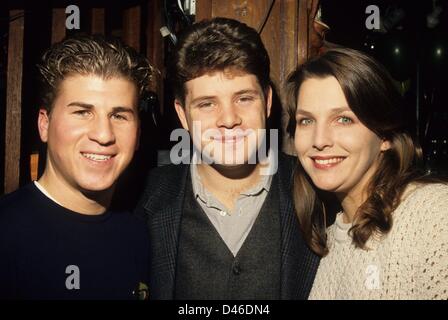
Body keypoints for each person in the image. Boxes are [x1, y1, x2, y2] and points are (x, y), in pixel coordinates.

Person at [135, 17, 320, 300]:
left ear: (268, 102)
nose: (229, 119)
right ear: (183, 114)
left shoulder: (319, 192)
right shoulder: (140, 200)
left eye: (244, 98)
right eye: (207, 104)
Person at [285, 47, 448, 300]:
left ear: (384, 135)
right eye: (306, 120)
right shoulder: (328, 241)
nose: (319, 140)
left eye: (343, 119)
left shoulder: (433, 215)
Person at [0, 34, 154, 300]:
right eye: (83, 112)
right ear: (44, 124)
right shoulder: (5, 233)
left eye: (119, 116)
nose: (104, 135)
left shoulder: (140, 235)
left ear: (138, 134)